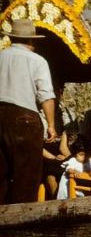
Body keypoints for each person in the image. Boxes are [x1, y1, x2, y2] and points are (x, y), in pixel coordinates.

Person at [0, 18, 56, 204]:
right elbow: (46, 95)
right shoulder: (37, 61)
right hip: (24, 119)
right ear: (31, 41)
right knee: (26, 178)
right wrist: (51, 126)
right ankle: (22, 228)